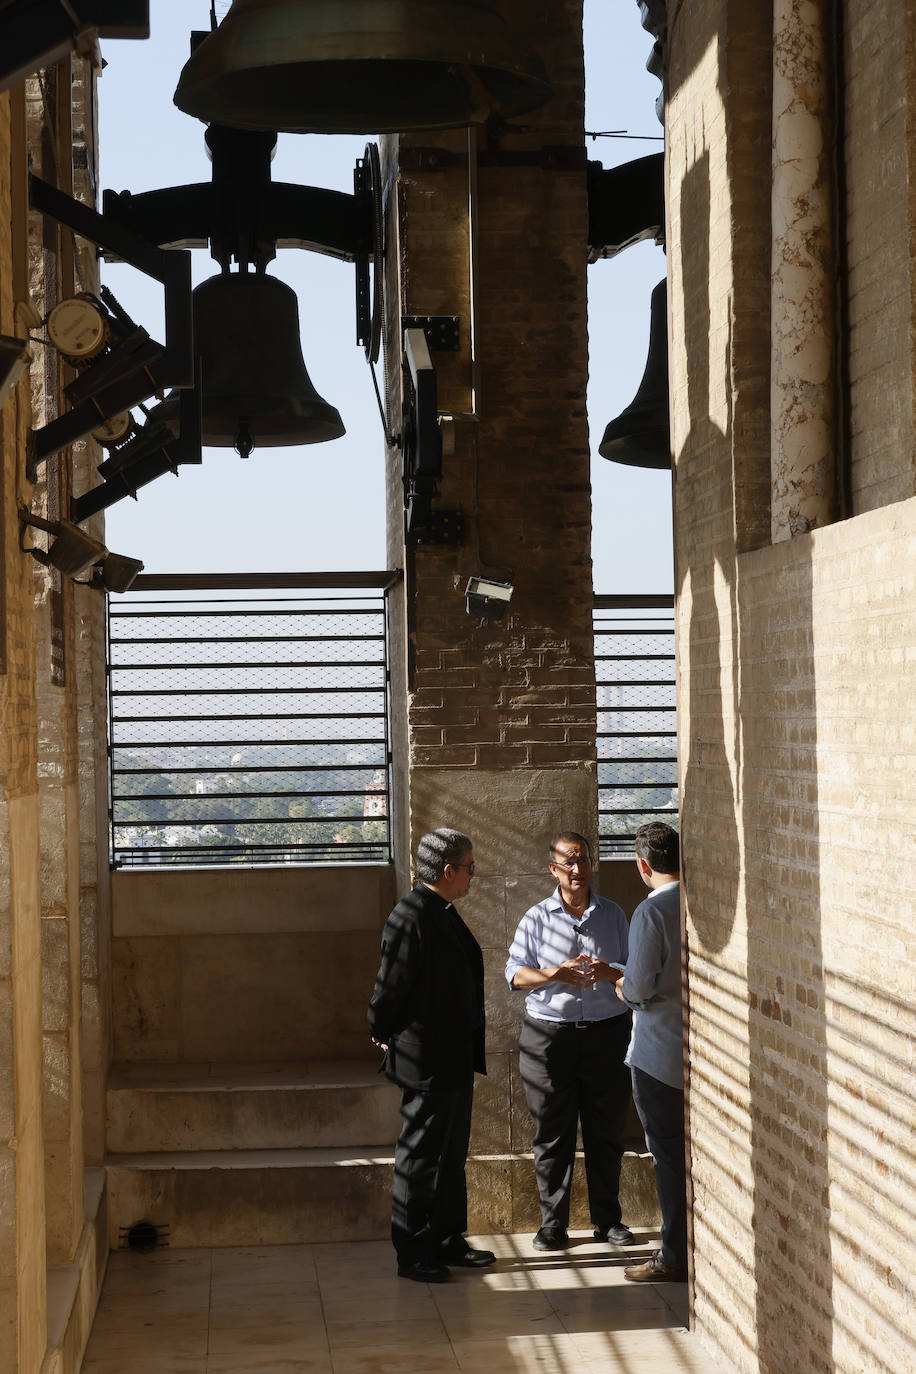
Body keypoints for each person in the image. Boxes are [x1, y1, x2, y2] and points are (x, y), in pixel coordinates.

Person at [368, 827, 495, 1283]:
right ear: (447, 871)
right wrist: (379, 1030)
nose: (472, 876)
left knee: (451, 1153)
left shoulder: (443, 909)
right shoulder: (410, 915)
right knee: (421, 1155)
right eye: (469, 868)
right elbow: (390, 987)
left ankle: (445, 1236)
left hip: (455, 1056)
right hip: (426, 1061)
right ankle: (413, 1248)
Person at [505, 831, 634, 1251]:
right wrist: (553, 975)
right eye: (568, 862)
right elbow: (515, 974)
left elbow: (635, 974)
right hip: (550, 1040)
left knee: (607, 1131)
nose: (577, 870)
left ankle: (608, 1220)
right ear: (553, 869)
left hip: (608, 1036)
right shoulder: (536, 918)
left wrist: (608, 972)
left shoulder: (614, 915)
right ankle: (552, 1224)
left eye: (583, 861)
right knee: (552, 1133)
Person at [614, 821, 687, 1283]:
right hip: (699, 1051)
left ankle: (674, 1255)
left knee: (667, 1158)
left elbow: (639, 986)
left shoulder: (652, 911)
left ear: (643, 865)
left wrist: (620, 985)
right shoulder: (700, 898)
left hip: (659, 1054)